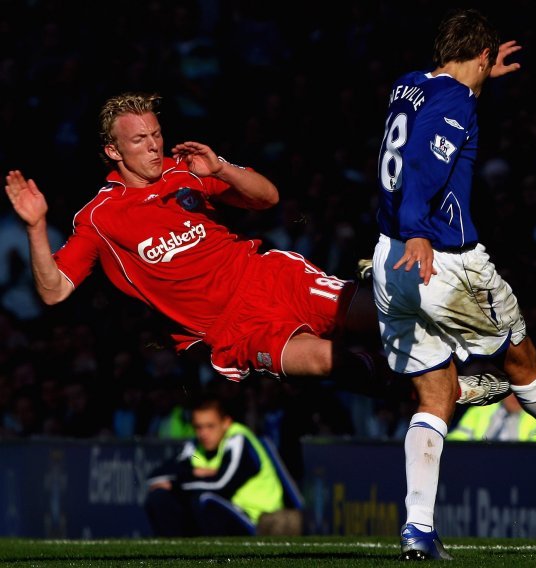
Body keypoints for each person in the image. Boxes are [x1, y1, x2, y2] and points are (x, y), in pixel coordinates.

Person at [3, 91, 509, 409]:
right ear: (114, 151)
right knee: (333, 363)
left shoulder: (185, 172)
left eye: (157, 134)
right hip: (230, 328)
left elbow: (268, 198)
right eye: (139, 140)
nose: (155, 146)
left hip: (269, 275)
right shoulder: (99, 218)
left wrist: (220, 169)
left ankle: (489, 353)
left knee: (381, 314)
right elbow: (54, 293)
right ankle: (453, 388)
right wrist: (36, 226)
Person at [370, 8, 536, 560]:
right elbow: (421, 163)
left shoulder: (409, 85)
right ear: (482, 56)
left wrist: (482, 85)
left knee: (434, 392)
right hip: (439, 257)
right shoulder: (458, 102)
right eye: (486, 66)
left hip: (389, 261)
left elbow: (432, 125)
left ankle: (417, 528)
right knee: (521, 356)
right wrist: (418, 232)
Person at [144, 393, 300, 536]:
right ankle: (175, 555)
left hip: (256, 517)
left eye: (210, 426)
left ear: (226, 423)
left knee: (204, 499)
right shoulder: (195, 446)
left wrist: (177, 484)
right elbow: (156, 477)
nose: (203, 433)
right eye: (198, 427)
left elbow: (221, 483)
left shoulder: (238, 439)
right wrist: (193, 473)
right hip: (225, 510)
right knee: (159, 497)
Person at [447, 394, 536, 443]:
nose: (514, 397)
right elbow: (457, 441)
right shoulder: (478, 411)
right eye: (511, 391)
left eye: (519, 392)